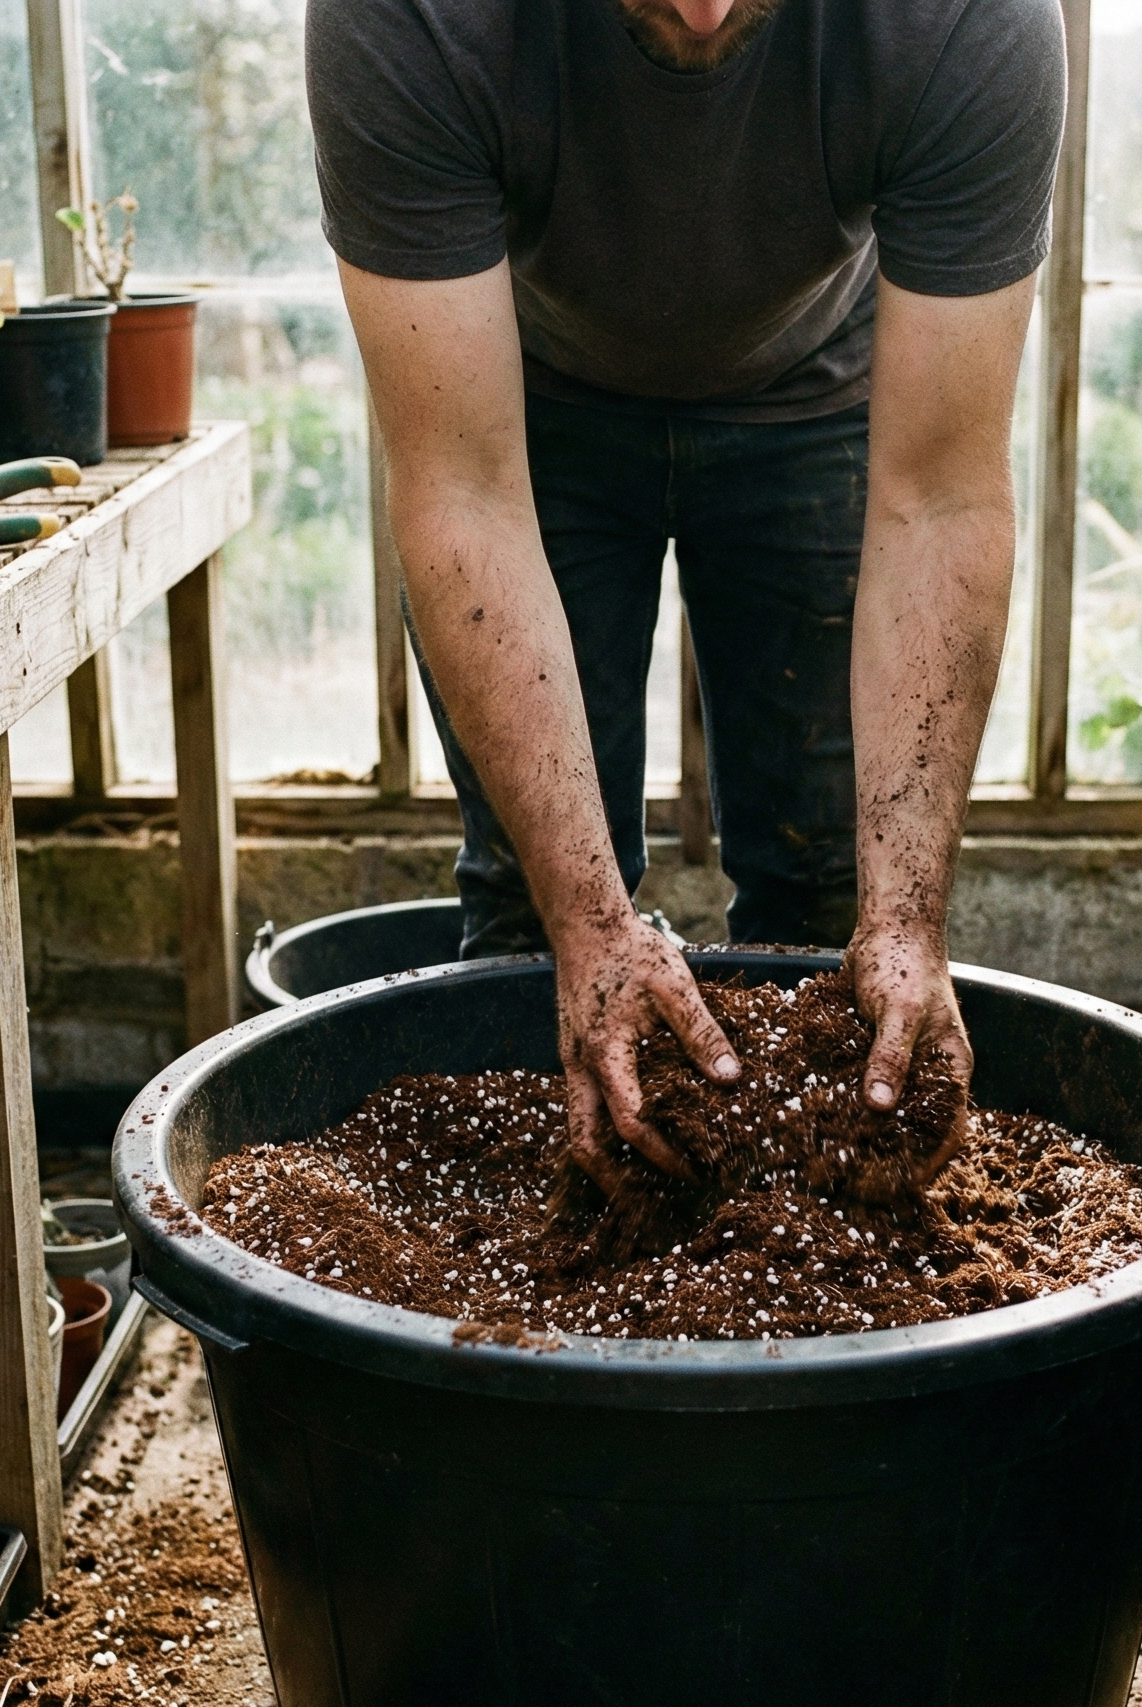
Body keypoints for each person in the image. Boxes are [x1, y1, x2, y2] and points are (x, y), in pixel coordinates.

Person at [307, 0, 1066, 1187]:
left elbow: (940, 501)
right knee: (537, 907)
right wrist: (591, 922)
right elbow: (463, 489)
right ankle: (546, 1278)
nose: (705, 10)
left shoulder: (963, 19)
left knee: (830, 897)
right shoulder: (408, 18)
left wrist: (909, 913)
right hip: (529, 404)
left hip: (817, 392)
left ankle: (816, 1252)